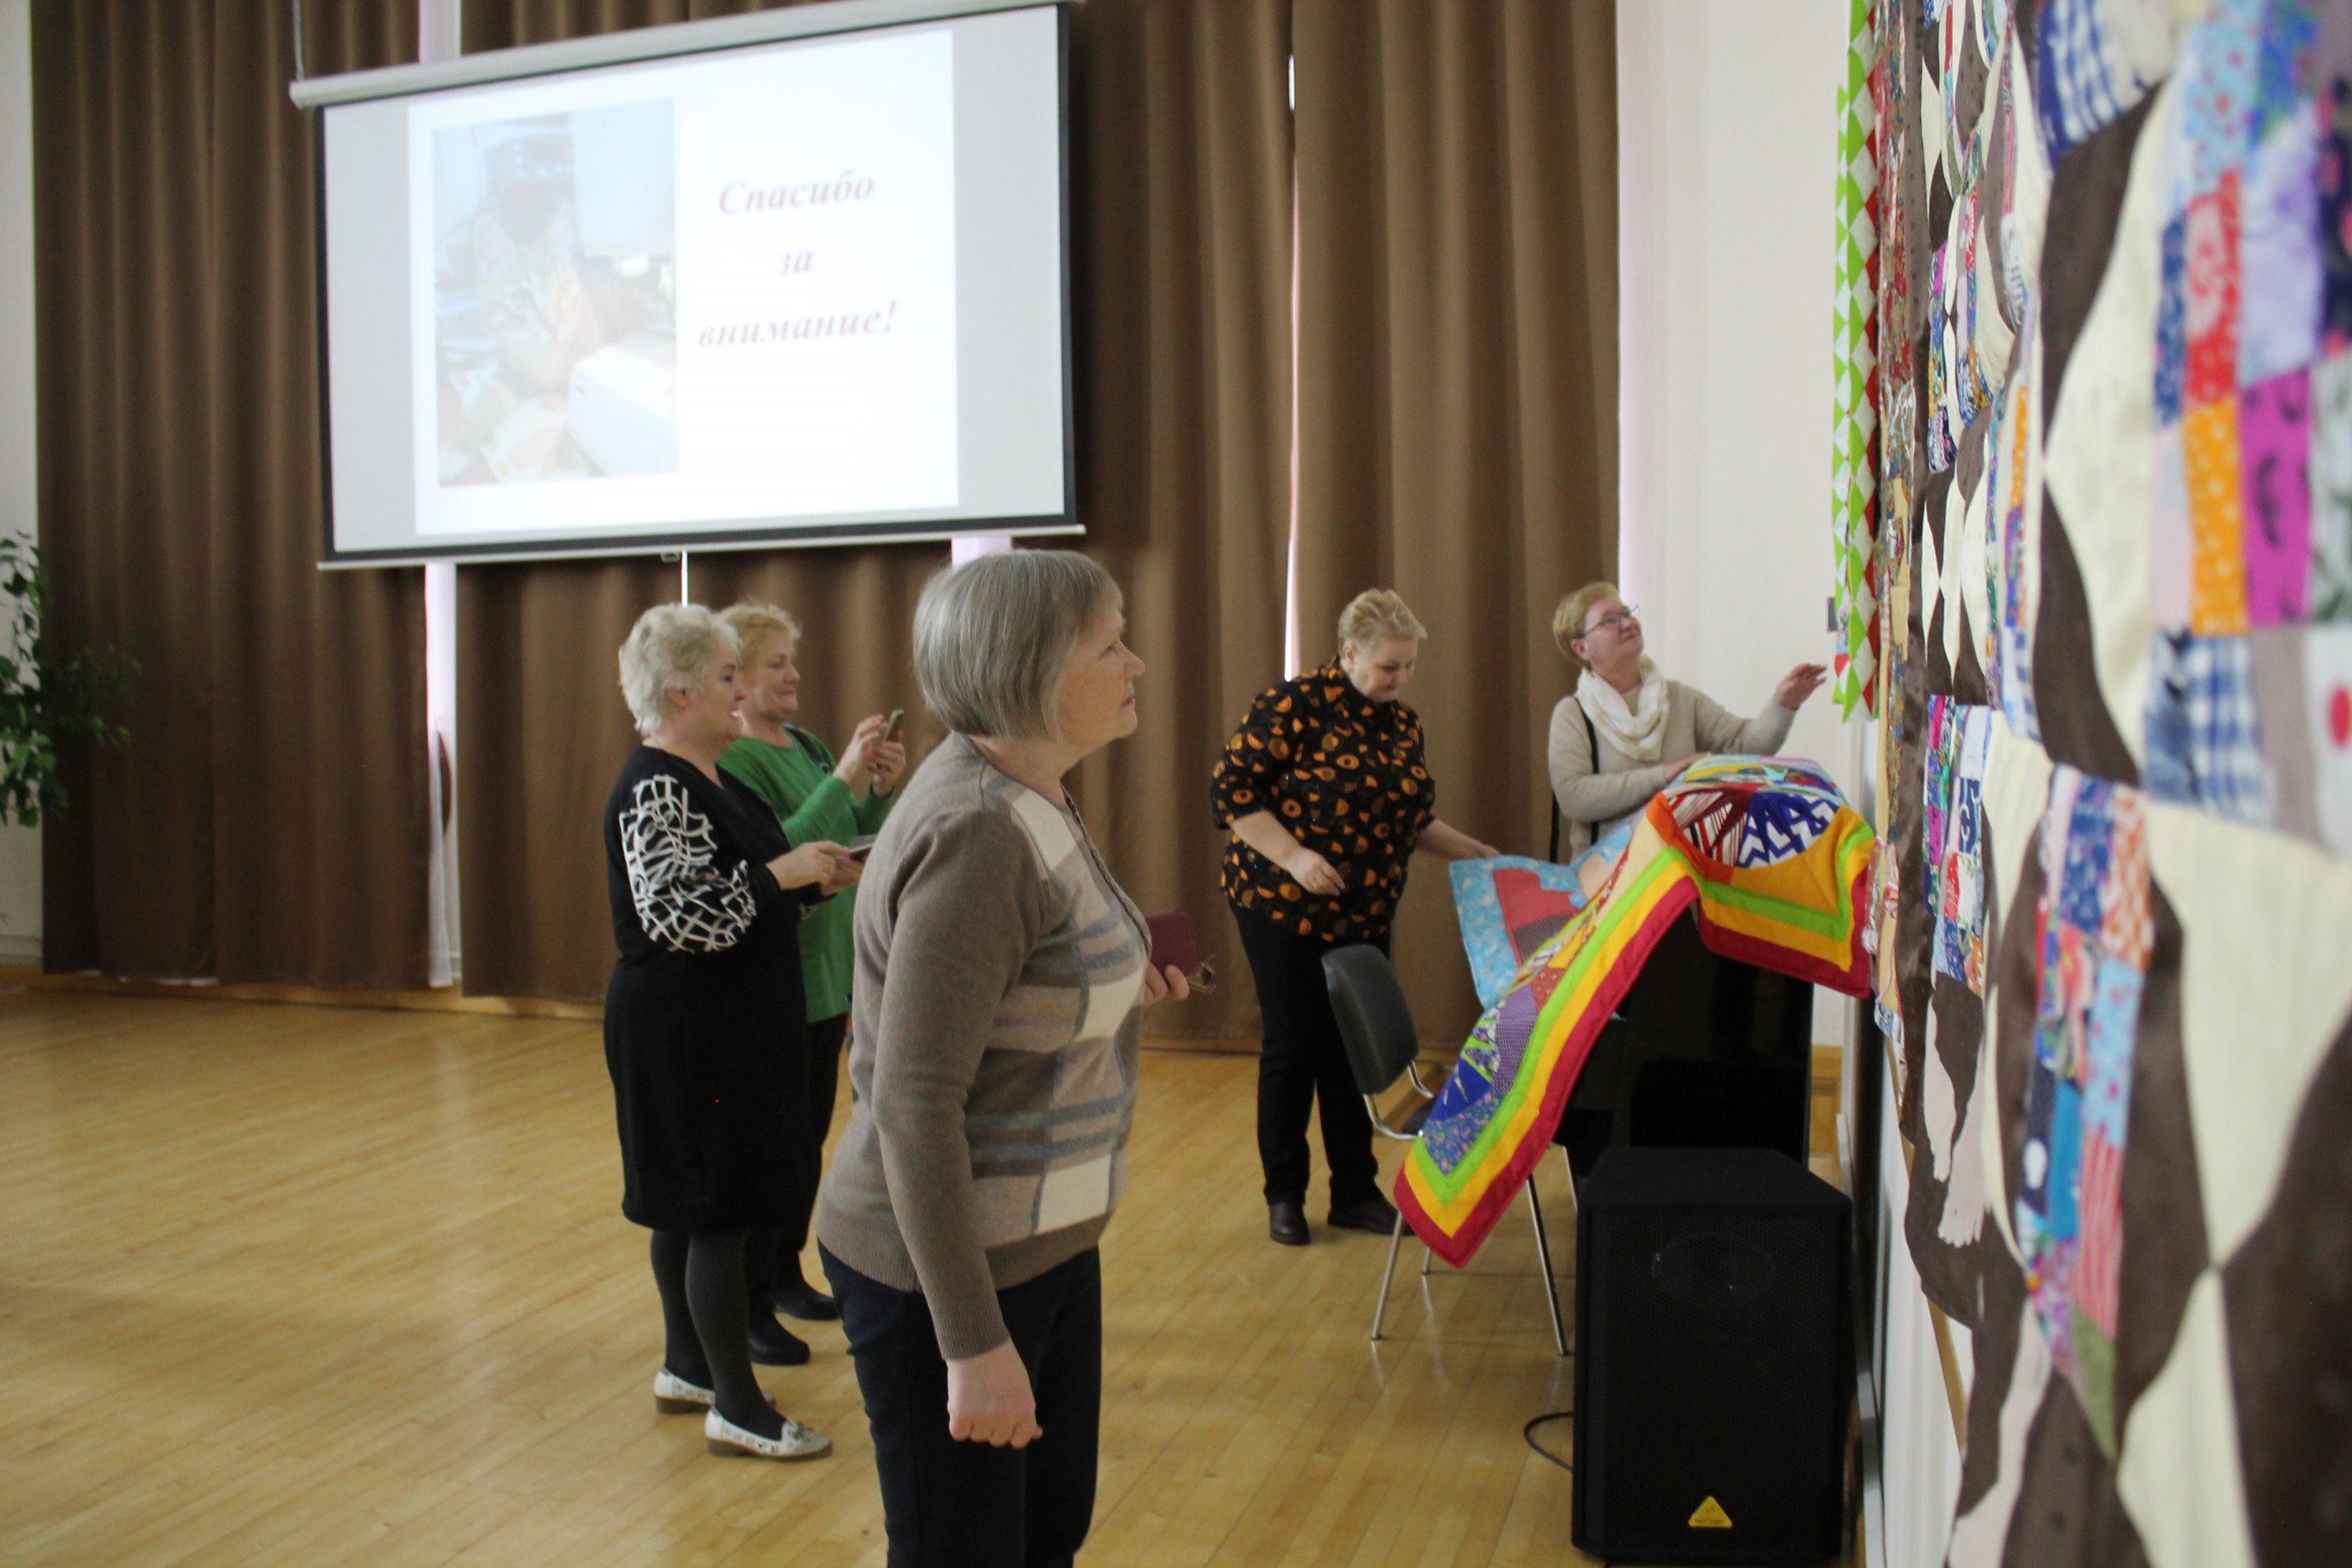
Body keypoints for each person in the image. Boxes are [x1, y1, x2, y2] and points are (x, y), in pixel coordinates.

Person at [816, 550, 1190, 1568]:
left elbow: (1020, 981)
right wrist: (972, 1342)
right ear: (1028, 671)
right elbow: (913, 1102)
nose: (1136, 664)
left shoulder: (1031, 790)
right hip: (946, 1271)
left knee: (1043, 1538)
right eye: (1109, 647)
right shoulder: (979, 831)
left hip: (1041, 1243)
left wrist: (1121, 980)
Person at [602, 604, 856, 1463]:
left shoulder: (713, 777)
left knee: (692, 1206)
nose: (741, 690)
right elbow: (677, 915)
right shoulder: (657, 784)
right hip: (687, 1032)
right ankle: (739, 1408)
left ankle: (688, 1368)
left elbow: (745, 892)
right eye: (725, 676)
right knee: (713, 1208)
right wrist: (778, 875)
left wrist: (812, 881)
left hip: (718, 1025)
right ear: (680, 692)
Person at [1210, 589, 1501, 1248]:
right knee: (1293, 1047)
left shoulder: (1402, 723)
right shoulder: (1292, 705)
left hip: (1364, 909)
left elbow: (1412, 819)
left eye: (1410, 664)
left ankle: (1355, 1192)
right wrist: (1294, 856)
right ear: (1348, 652)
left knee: (1349, 1049)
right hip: (1279, 903)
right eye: (1389, 665)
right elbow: (1231, 793)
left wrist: (1475, 851)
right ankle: (1285, 1195)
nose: (1402, 677)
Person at [717, 600, 908, 1346]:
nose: (793, 674)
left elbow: (850, 835)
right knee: (770, 1147)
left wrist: (878, 789)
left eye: (793, 661)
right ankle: (750, 1298)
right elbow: (784, 853)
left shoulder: (805, 744)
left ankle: (785, 1270)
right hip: (781, 973)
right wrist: (846, 775)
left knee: (805, 1142)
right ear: (736, 676)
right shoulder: (735, 759)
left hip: (830, 971)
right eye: (776, 663)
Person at [1546, 583, 1827, 856]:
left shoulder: (1678, 698)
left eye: (1627, 613)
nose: (1628, 623)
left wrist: (1783, 705)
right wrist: (1664, 776)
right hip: (1607, 877)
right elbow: (1574, 798)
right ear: (1582, 648)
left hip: (1681, 869)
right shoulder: (1573, 714)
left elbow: (1745, 746)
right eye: (1610, 620)